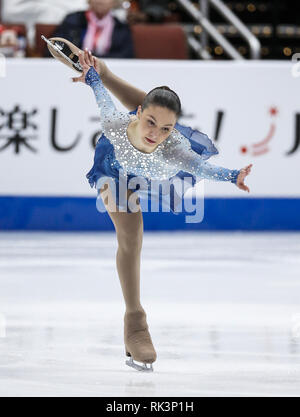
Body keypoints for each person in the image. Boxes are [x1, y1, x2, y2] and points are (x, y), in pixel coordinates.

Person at [48, 40, 252, 371]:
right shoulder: (117, 125)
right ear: (138, 115)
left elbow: (200, 168)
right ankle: (135, 321)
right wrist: (94, 78)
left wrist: (232, 176)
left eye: (166, 128)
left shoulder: (173, 147)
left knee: (154, 113)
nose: (157, 133)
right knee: (132, 233)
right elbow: (101, 99)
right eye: (152, 123)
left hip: (151, 167)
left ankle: (110, 75)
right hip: (113, 167)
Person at [47, 0, 134, 58]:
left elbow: (126, 56)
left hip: (107, 73)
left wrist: (95, 62)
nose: (100, 1)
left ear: (114, 2)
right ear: (89, 1)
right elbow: (53, 47)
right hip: (73, 68)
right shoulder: (72, 21)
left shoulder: (121, 27)